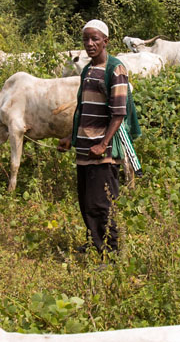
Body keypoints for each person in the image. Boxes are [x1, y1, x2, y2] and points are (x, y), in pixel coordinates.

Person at [58, 19, 140, 255]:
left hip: (103, 150)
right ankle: (95, 244)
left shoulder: (116, 69)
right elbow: (82, 109)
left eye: (95, 39)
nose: (90, 43)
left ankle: (111, 252)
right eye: (86, 39)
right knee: (86, 202)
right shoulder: (87, 69)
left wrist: (103, 144)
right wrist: (69, 137)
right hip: (84, 147)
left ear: (106, 41)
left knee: (102, 203)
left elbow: (119, 113)